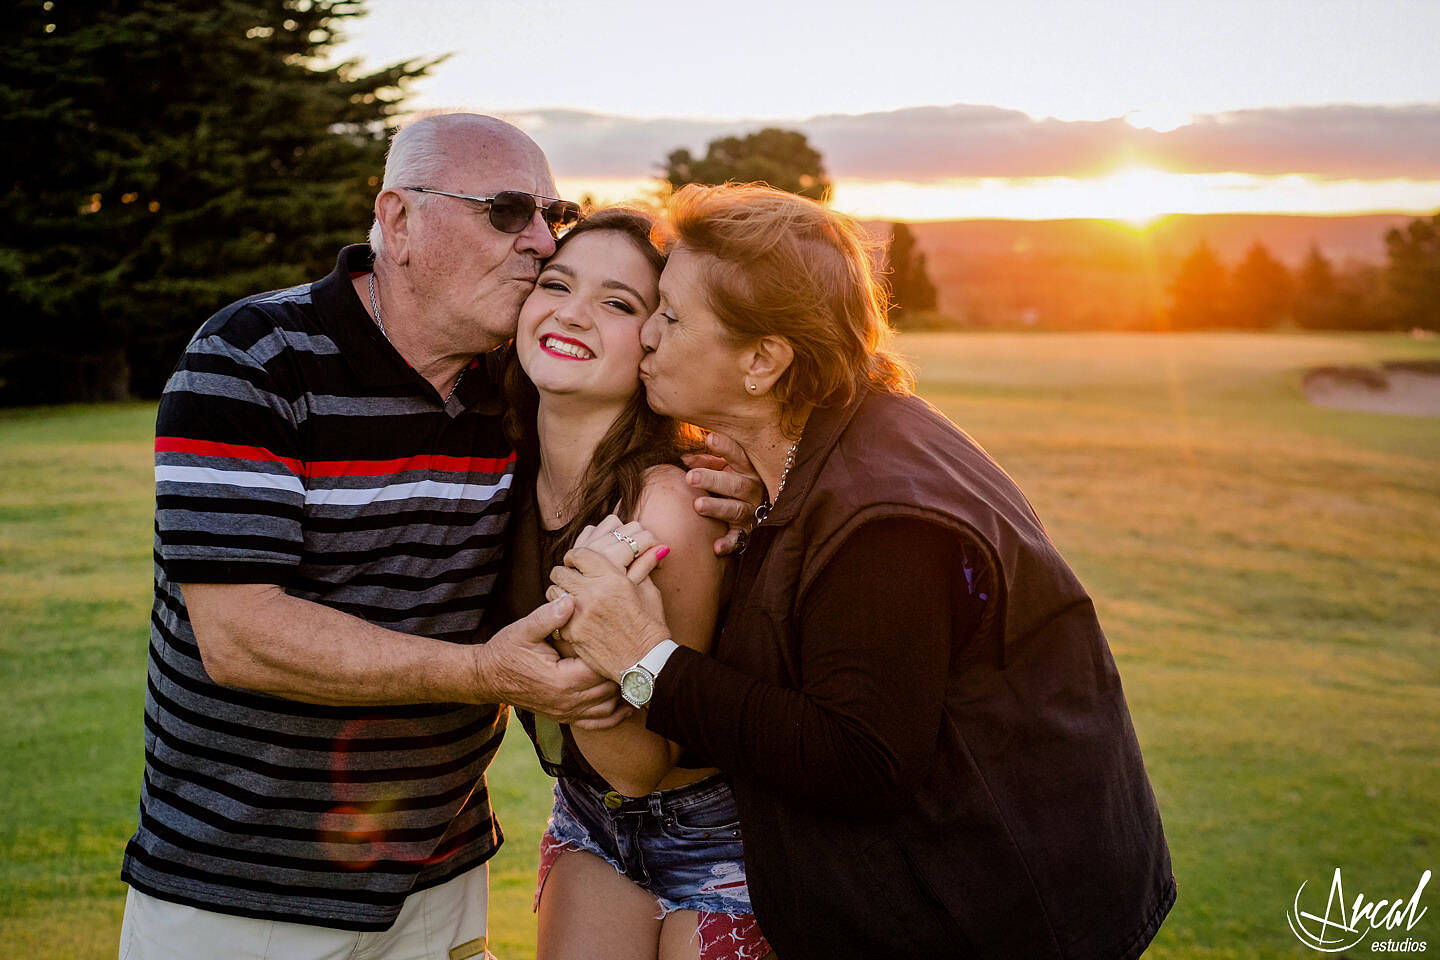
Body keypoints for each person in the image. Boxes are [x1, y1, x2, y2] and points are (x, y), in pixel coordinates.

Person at [119, 115, 759, 960]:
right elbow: (239, 637)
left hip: (440, 878)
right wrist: (482, 673)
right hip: (241, 887)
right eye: (504, 211)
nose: (537, 241)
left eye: (549, 213)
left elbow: (632, 418)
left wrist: (740, 471)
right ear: (398, 219)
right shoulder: (254, 357)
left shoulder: (513, 386)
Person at [546, 183, 1177, 960]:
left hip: (989, 915)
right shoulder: (835, 447)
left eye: (672, 317)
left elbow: (858, 760)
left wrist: (643, 662)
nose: (647, 334)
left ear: (763, 360)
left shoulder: (884, 520)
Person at [492, 206, 773, 960]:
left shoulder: (666, 505)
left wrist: (589, 627)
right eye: (556, 283)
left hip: (717, 838)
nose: (572, 314)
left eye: (618, 303)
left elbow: (641, 766)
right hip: (586, 817)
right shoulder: (496, 469)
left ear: (654, 342)